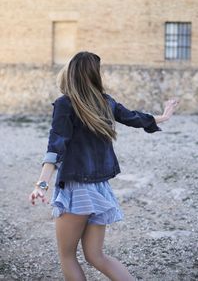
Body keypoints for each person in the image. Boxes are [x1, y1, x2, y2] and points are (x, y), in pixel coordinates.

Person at [29, 51, 178, 281]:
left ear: (71, 73)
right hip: (100, 191)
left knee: (67, 256)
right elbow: (133, 117)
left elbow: (55, 145)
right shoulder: (105, 101)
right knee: (96, 256)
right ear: (93, 75)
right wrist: (162, 117)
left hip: (77, 191)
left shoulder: (65, 104)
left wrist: (41, 184)